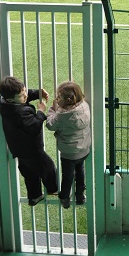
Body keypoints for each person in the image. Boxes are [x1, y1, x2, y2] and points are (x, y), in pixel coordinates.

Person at [0, 76, 58, 206]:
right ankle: (53, 188)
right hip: (32, 149)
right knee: (48, 166)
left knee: (29, 173)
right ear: (10, 99)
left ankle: (34, 195)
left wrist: (36, 93)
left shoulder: (4, 103)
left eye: (25, 91)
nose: (25, 95)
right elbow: (35, 126)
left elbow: (23, 96)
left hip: (18, 148)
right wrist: (41, 111)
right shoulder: (20, 113)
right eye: (22, 95)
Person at [46, 81, 91, 209]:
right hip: (84, 150)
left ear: (67, 100)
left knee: (68, 176)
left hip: (69, 154)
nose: (56, 99)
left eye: (58, 97)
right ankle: (80, 196)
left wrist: (53, 109)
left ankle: (65, 197)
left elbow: (50, 124)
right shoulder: (85, 106)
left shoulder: (62, 116)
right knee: (80, 172)